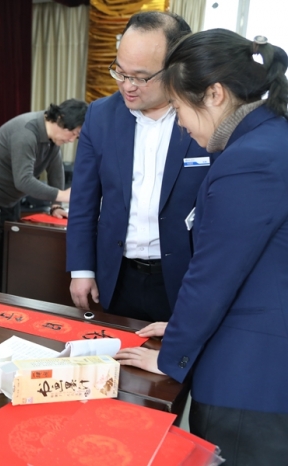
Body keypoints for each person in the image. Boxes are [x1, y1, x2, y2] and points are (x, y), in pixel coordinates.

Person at [115, 29, 288, 465]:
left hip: (252, 377)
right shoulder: (272, 139)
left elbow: (214, 275)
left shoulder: (249, 160)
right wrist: (178, 327)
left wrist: (170, 356)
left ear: (214, 94)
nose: (180, 123)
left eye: (178, 107)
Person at [66, 11, 210, 322]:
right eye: (120, 72)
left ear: (175, 68)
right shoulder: (100, 116)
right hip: (118, 275)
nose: (127, 86)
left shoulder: (204, 118)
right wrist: (82, 270)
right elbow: (83, 201)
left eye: (141, 77)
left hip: (185, 277)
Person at [0, 99, 88, 291]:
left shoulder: (52, 137)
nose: (72, 140)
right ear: (61, 119)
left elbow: (55, 170)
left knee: (8, 256)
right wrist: (63, 195)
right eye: (72, 133)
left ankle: (3, 301)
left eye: (77, 137)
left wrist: (56, 205)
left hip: (10, 200)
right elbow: (23, 181)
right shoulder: (27, 132)